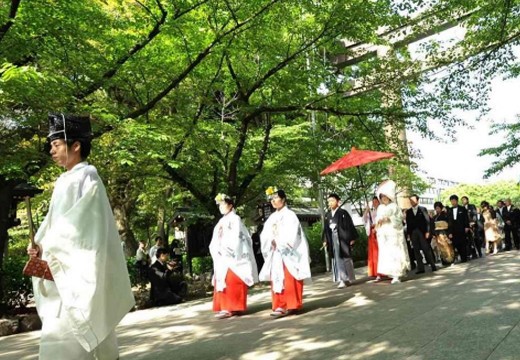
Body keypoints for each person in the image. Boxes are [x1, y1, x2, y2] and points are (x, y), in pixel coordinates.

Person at [27, 114, 134, 360]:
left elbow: (85, 227)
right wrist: (39, 246)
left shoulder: (88, 177)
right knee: (63, 335)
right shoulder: (64, 180)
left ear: (75, 145)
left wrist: (51, 246)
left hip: (77, 272)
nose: (51, 150)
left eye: (56, 144)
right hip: (64, 269)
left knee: (73, 332)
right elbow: (53, 225)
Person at [259, 187, 311, 318]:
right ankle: (279, 305)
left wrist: (280, 241)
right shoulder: (271, 218)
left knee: (289, 277)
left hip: (288, 252)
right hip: (276, 252)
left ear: (283, 199)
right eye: (272, 199)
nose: (273, 201)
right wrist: (270, 240)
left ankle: (292, 304)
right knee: (277, 278)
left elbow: (293, 234)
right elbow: (265, 234)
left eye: (276, 198)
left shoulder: (290, 215)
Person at [209, 193, 259, 319]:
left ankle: (233, 307)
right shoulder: (221, 221)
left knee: (232, 280)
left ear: (230, 205)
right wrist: (216, 248)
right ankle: (226, 306)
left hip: (233, 255)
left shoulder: (235, 219)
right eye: (219, 205)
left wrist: (227, 248)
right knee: (223, 280)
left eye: (223, 204)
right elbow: (215, 239)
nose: (221, 207)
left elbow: (238, 237)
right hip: (222, 256)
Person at [374, 180, 410, 284]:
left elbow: (399, 219)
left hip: (393, 233)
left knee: (395, 253)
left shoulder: (394, 206)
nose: (384, 198)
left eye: (385, 196)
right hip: (384, 234)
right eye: (382, 197)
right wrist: (378, 222)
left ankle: (397, 274)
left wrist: (389, 219)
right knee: (388, 254)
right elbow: (377, 219)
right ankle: (391, 273)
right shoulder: (380, 208)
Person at [322, 193, 358, 288]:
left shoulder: (343, 213)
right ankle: (341, 278)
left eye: (332, 200)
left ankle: (347, 278)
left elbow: (349, 226)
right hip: (333, 239)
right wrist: (325, 239)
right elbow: (325, 229)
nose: (330, 203)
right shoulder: (328, 215)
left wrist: (352, 238)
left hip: (343, 238)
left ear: (338, 202)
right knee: (336, 259)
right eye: (329, 201)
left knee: (345, 258)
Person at [406, 195, 437, 274]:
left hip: (422, 232)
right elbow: (408, 223)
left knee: (426, 248)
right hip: (413, 232)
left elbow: (427, 221)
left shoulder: (422, 209)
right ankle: (420, 268)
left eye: (413, 200)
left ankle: (433, 265)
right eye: (411, 200)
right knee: (416, 250)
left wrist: (427, 231)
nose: (412, 202)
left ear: (417, 200)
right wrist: (409, 234)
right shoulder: (408, 211)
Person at [447, 195, 470, 263]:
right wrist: (449, 232)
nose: (453, 202)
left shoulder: (462, 209)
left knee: (462, 244)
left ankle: (464, 258)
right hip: (453, 230)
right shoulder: (450, 210)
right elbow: (449, 221)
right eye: (451, 201)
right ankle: (456, 257)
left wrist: (466, 226)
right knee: (455, 244)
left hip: (461, 229)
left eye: (454, 201)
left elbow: (466, 218)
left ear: (457, 201)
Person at [363, 196, 382, 278]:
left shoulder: (382, 210)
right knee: (374, 252)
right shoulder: (371, 211)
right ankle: (376, 272)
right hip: (372, 232)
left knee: (380, 251)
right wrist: (367, 211)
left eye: (376, 201)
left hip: (380, 231)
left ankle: (382, 271)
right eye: (373, 202)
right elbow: (364, 220)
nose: (374, 203)